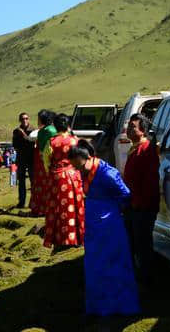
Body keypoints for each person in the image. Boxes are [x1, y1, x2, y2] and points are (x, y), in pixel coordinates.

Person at [69, 140, 140, 316]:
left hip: (110, 227)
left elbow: (125, 195)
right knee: (95, 267)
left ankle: (119, 307)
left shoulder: (108, 174)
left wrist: (112, 211)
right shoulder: (86, 171)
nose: (79, 172)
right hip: (94, 226)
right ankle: (98, 307)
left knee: (114, 265)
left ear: (89, 158)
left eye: (80, 168)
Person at [122, 113, 160, 287]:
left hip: (143, 205)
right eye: (129, 126)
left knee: (143, 245)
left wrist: (140, 203)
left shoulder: (146, 150)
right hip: (133, 205)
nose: (129, 129)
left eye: (133, 127)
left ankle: (146, 281)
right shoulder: (135, 148)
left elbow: (150, 180)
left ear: (143, 131)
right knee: (135, 243)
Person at [42, 113, 84, 249]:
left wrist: (51, 173)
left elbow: (46, 161)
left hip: (57, 179)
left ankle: (59, 239)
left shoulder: (51, 142)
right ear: (68, 125)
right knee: (75, 206)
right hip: (74, 176)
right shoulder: (75, 141)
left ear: (55, 126)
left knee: (57, 209)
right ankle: (77, 237)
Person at [29, 110, 57, 215]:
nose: (37, 120)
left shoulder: (43, 131)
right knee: (48, 184)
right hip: (48, 160)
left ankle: (39, 207)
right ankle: (48, 207)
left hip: (40, 161)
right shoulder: (52, 130)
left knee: (40, 183)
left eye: (39, 118)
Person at [12, 112, 35, 208]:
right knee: (21, 181)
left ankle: (34, 202)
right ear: (20, 120)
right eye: (22, 119)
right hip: (21, 158)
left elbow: (33, 143)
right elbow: (15, 145)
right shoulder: (16, 131)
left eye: (26, 118)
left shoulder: (33, 130)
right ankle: (21, 202)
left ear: (28, 119)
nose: (24, 120)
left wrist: (23, 135)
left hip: (31, 158)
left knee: (33, 181)